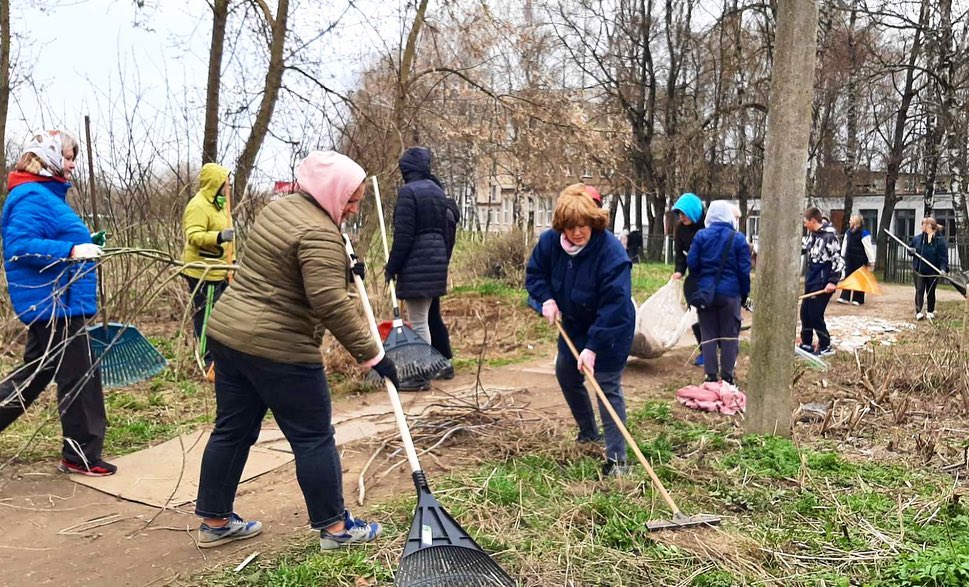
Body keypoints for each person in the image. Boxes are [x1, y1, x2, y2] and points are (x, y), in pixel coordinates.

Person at [194, 151, 398, 550]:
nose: (353, 208)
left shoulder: (282, 208)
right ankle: (337, 530)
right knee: (313, 436)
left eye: (357, 200)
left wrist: (345, 265)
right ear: (331, 192)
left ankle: (215, 521)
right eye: (351, 200)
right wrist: (373, 354)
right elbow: (330, 303)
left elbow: (286, 270)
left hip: (230, 335)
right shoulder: (320, 233)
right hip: (279, 348)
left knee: (232, 431)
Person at [0, 131, 116, 476]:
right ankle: (80, 456)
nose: (71, 164)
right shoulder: (33, 196)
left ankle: (79, 453)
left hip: (57, 302)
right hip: (56, 305)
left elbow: (44, 235)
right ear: (46, 157)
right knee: (80, 379)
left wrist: (84, 242)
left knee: (34, 375)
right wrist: (71, 250)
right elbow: (20, 246)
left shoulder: (45, 196)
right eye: (67, 157)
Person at [526, 183, 635, 476]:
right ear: (562, 226)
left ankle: (618, 460)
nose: (577, 232)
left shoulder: (610, 252)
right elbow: (535, 273)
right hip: (574, 324)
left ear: (593, 222)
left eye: (583, 225)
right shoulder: (550, 243)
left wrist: (593, 347)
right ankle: (589, 432)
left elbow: (615, 304)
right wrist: (546, 299)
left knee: (605, 385)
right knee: (566, 372)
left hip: (612, 328)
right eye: (571, 227)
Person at [384, 146, 456, 380]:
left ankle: (421, 373)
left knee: (418, 320)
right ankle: (436, 365)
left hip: (417, 264)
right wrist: (441, 261)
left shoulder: (408, 193)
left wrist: (392, 267)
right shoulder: (437, 190)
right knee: (426, 316)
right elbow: (446, 231)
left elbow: (403, 235)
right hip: (435, 261)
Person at [686, 201, 751, 387]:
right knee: (729, 335)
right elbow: (744, 270)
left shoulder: (700, 236)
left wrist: (702, 279)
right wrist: (744, 294)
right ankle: (728, 377)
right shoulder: (738, 239)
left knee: (709, 335)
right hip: (730, 294)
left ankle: (711, 376)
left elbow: (692, 262)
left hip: (706, 294)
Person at [181, 163, 234, 371]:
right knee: (206, 318)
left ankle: (222, 357)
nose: (227, 186)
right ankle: (207, 362)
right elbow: (193, 236)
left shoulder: (221, 206)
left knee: (222, 317)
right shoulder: (198, 206)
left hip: (221, 270)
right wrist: (218, 237)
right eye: (225, 182)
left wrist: (234, 262)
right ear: (216, 183)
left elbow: (231, 241)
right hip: (203, 272)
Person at [800, 207, 844, 356]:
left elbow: (838, 261)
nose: (804, 225)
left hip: (823, 283)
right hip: (811, 281)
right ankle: (806, 343)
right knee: (805, 313)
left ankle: (825, 345)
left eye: (806, 222)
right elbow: (801, 247)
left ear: (813, 221)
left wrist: (832, 281)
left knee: (815, 314)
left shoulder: (829, 237)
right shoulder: (812, 236)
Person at [669, 192, 706, 367]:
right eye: (679, 214)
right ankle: (704, 349)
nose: (682, 217)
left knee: (711, 314)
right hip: (694, 277)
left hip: (710, 275)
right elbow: (680, 254)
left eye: (684, 213)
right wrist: (679, 271)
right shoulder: (681, 229)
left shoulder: (707, 226)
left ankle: (718, 344)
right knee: (694, 313)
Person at [909, 217, 949, 320]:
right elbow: (910, 249)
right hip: (919, 270)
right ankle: (918, 311)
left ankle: (930, 311)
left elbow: (943, 257)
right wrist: (911, 251)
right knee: (919, 290)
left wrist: (943, 268)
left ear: (930, 227)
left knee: (930, 291)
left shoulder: (939, 241)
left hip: (932, 271)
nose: (922, 226)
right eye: (922, 224)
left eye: (924, 224)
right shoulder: (917, 239)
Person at [837, 215, 875, 306]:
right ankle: (845, 296)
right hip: (849, 258)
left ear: (856, 222)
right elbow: (845, 244)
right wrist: (842, 255)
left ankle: (858, 298)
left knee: (859, 278)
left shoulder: (864, 233)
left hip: (860, 259)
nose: (849, 222)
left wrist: (871, 261)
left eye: (851, 220)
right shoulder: (848, 232)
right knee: (848, 276)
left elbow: (868, 248)